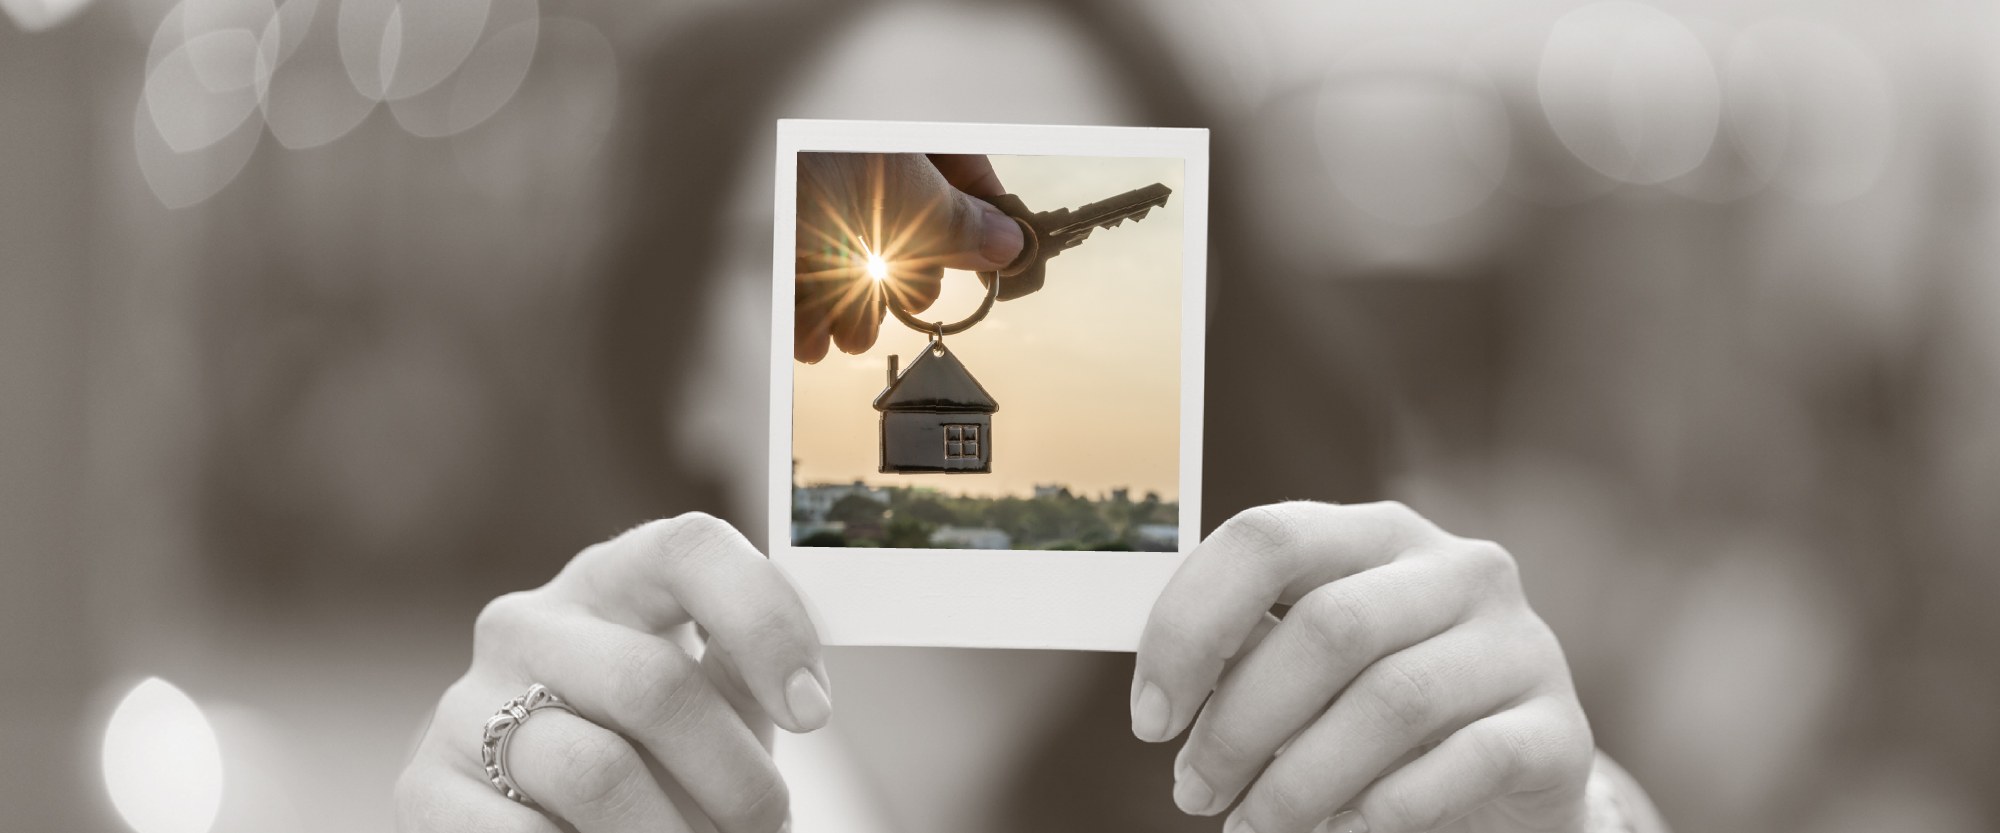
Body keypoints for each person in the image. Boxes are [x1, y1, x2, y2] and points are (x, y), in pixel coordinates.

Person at [395, 151, 1669, 833]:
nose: (960, 276)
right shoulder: (574, 792)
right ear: (685, 361)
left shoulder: (1348, 790)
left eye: (1025, 219)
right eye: (842, 226)